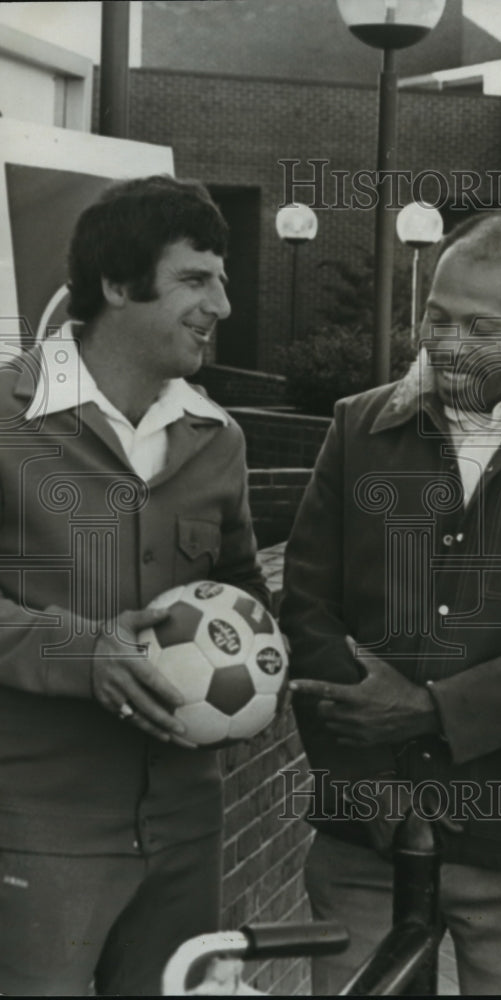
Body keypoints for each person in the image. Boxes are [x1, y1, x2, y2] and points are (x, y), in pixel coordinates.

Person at [280, 213, 501, 994]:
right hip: (361, 842)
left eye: (480, 326)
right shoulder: (357, 427)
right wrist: (361, 777)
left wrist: (433, 709)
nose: (446, 344)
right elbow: (307, 607)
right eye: (436, 317)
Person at [0, 175, 268, 996]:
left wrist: (267, 673)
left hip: (187, 831)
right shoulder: (6, 417)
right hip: (37, 827)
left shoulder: (216, 437)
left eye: (221, 279)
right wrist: (86, 655)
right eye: (195, 279)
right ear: (117, 285)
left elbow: (243, 595)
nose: (221, 304)